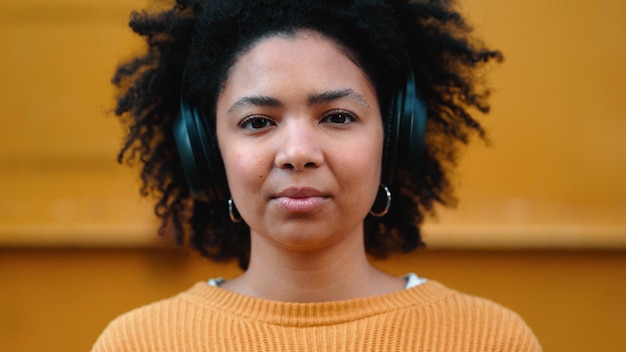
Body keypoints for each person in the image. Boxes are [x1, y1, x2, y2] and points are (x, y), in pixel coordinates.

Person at [92, 0, 541, 351]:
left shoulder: (491, 340)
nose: (298, 153)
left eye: (338, 117)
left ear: (396, 138)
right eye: (257, 122)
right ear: (206, 154)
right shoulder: (136, 344)